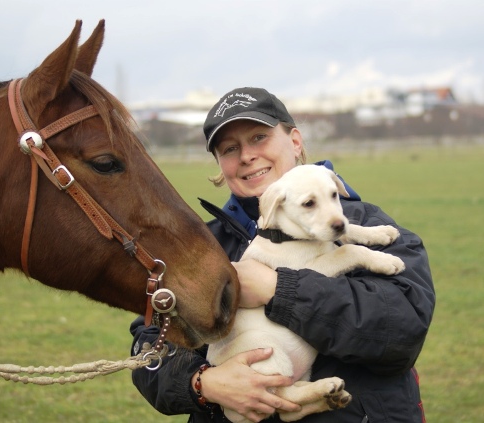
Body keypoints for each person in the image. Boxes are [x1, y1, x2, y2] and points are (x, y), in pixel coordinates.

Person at [130, 87, 435, 423]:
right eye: (230, 148)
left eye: (259, 137)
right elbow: (151, 344)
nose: (247, 155)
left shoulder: (370, 228)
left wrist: (279, 289)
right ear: (220, 164)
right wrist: (202, 383)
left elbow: (402, 331)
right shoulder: (198, 247)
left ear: (295, 141)